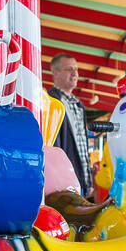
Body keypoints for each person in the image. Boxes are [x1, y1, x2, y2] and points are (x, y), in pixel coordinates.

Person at [47, 53, 92, 195]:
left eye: (76, 69)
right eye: (69, 69)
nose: (74, 74)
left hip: (81, 178)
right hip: (62, 180)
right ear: (55, 72)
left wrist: (88, 179)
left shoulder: (78, 105)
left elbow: (83, 145)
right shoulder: (50, 102)